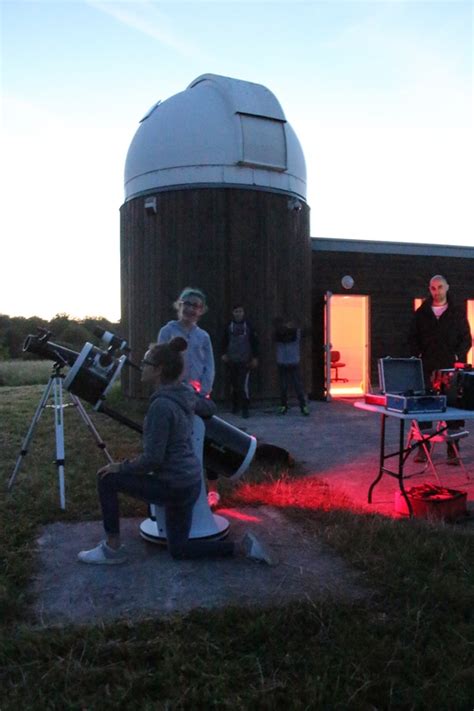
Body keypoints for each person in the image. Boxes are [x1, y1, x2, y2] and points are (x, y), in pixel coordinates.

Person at [78, 338, 274, 565]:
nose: (142, 366)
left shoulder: (161, 406)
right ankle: (242, 548)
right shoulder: (184, 394)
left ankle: (112, 550)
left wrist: (120, 466)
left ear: (159, 370)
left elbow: (152, 460)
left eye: (146, 362)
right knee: (179, 549)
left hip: (172, 486)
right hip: (190, 484)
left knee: (107, 479)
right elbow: (209, 407)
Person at [157, 287, 220, 508]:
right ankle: (177, 485)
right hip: (175, 394)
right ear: (179, 305)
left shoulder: (203, 336)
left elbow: (209, 366)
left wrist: (203, 390)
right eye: (188, 303)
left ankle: (212, 490)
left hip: (197, 394)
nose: (191, 309)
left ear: (201, 311)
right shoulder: (168, 331)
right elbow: (161, 362)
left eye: (197, 306)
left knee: (207, 439)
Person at [408, 274, 471, 464]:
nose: (437, 292)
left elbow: (466, 339)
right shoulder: (421, 313)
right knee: (424, 407)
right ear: (430, 289)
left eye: (440, 287)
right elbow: (412, 338)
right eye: (433, 288)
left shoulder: (457, 312)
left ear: (447, 287)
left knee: (453, 407)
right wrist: (418, 355)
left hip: (450, 370)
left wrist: (456, 357)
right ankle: (423, 448)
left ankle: (453, 449)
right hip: (427, 368)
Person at [221, 305, 259, 418]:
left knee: (243, 385)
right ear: (233, 313)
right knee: (233, 384)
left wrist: (255, 357)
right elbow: (223, 340)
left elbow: (255, 342)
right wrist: (223, 354)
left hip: (245, 360)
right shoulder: (228, 326)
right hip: (232, 359)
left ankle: (245, 408)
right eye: (236, 311)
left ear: (243, 313)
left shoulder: (249, 326)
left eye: (240, 311)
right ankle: (235, 406)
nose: (238, 313)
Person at [273, 317, 309, 416]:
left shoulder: (294, 333)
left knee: (296, 386)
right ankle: (288, 406)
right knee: (285, 386)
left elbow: (307, 331)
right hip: (286, 363)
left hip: (290, 363)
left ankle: (302, 406)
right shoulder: (280, 334)